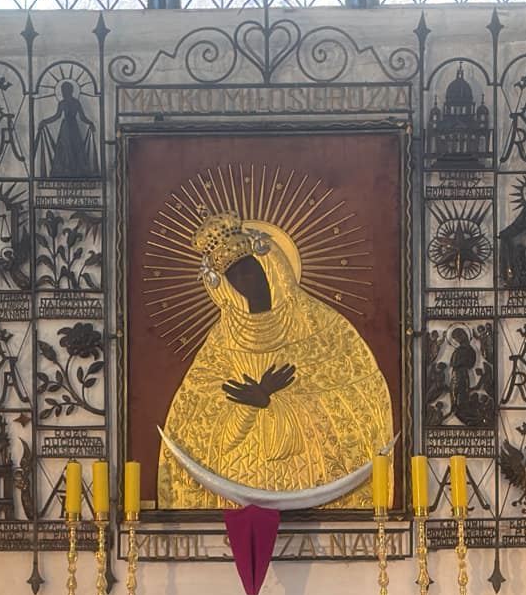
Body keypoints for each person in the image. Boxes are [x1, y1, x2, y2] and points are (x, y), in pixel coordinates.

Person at [157, 211, 392, 510]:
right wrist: (252, 405)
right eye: (234, 276)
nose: (246, 281)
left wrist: (277, 400)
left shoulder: (318, 324)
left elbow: (352, 402)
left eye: (250, 269)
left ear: (267, 265)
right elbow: (204, 428)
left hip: (308, 472)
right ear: (225, 284)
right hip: (240, 477)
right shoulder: (221, 343)